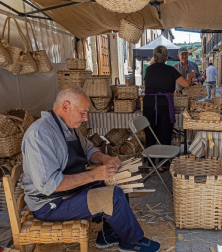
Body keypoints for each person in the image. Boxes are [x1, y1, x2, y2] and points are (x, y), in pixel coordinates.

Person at [21, 85, 161, 252]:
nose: (86, 118)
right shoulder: (40, 134)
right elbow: (50, 185)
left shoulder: (68, 128)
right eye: (82, 112)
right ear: (65, 107)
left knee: (119, 181)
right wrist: (94, 175)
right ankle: (131, 241)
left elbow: (87, 149)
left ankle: (108, 234)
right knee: (113, 196)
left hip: (68, 192)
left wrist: (104, 158)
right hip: (50, 203)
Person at [143, 46, 193, 171]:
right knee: (164, 133)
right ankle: (162, 164)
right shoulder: (170, 69)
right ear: (166, 58)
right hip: (164, 104)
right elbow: (185, 84)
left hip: (149, 104)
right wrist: (190, 77)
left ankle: (149, 164)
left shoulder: (148, 69)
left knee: (150, 133)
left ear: (154, 57)